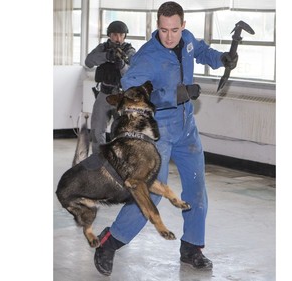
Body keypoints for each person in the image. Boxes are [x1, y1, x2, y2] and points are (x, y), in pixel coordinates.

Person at [93, 1, 238, 276]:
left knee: (196, 189)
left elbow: (203, 51)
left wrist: (222, 59)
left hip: (187, 129)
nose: (169, 36)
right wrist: (174, 95)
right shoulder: (148, 56)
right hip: (158, 133)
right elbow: (130, 92)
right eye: (163, 30)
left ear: (183, 26)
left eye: (174, 29)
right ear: (156, 27)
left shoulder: (187, 39)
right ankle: (109, 243)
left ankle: (192, 248)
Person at [85, 21, 136, 153]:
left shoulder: (130, 51)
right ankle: (98, 159)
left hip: (122, 97)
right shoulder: (103, 48)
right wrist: (106, 56)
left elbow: (133, 74)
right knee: (96, 130)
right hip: (104, 94)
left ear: (125, 36)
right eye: (114, 35)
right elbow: (89, 62)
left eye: (121, 35)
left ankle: (119, 162)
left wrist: (122, 66)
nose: (118, 38)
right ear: (109, 35)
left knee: (121, 133)